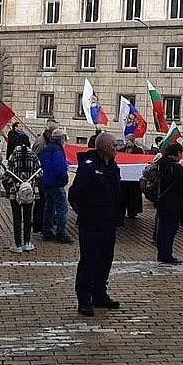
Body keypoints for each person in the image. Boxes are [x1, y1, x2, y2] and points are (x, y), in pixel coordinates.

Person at [69, 132, 121, 317]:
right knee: (89, 261)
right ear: (104, 147)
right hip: (91, 224)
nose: (117, 148)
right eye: (114, 145)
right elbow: (75, 195)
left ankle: (99, 294)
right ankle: (84, 299)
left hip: (108, 224)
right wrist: (87, 213)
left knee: (105, 261)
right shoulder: (88, 167)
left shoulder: (113, 167)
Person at [154, 142, 183, 264]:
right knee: (169, 229)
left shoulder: (161, 164)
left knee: (163, 228)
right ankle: (166, 255)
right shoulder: (175, 167)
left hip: (161, 201)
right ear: (177, 153)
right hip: (173, 203)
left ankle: (162, 253)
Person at [6, 133, 40, 252]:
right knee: (27, 217)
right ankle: (27, 242)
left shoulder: (13, 155)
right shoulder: (33, 155)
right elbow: (40, 173)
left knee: (16, 218)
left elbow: (8, 174)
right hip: (30, 191)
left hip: (15, 191)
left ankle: (17, 244)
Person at [38, 128, 73, 243]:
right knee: (62, 209)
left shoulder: (46, 149)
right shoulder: (57, 150)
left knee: (49, 207)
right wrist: (64, 179)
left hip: (46, 182)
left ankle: (47, 231)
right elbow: (59, 168)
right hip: (56, 183)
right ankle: (60, 234)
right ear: (61, 139)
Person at [119, 135, 144, 221]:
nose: (127, 142)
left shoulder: (138, 150)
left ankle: (132, 212)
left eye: (129, 140)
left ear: (132, 141)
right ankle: (121, 212)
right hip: (123, 178)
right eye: (126, 140)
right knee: (122, 196)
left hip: (134, 179)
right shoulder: (121, 150)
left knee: (133, 197)